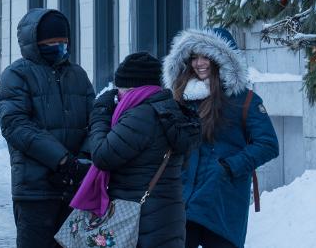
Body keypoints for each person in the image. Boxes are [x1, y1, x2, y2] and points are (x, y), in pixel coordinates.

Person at [163, 28, 280, 248]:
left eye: (206, 56)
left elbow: (268, 144)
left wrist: (228, 167)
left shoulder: (244, 99)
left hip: (222, 197)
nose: (199, 63)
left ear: (223, 59)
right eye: (194, 57)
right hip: (184, 197)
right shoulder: (181, 96)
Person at [81, 52, 201, 248]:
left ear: (133, 89)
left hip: (139, 220)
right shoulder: (170, 111)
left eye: (119, 89)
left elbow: (102, 156)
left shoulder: (141, 116)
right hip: (166, 218)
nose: (117, 95)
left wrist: (100, 114)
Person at [0, 9, 96, 248]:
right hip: (34, 190)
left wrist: (83, 159)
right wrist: (61, 160)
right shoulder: (16, 74)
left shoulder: (78, 74)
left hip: (76, 188)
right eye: (51, 43)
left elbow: (96, 121)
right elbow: (16, 125)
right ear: (35, 43)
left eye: (63, 42)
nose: (59, 47)